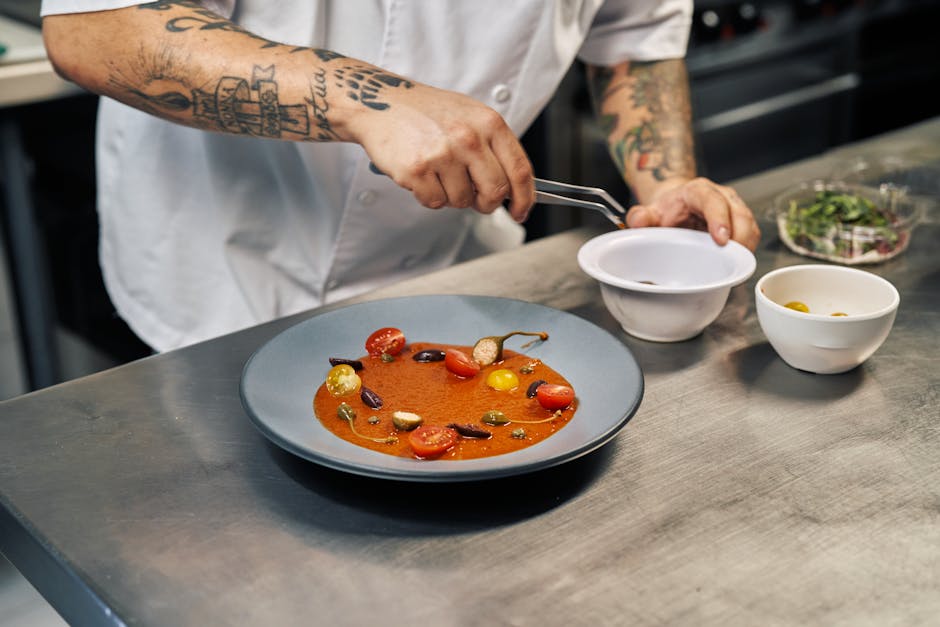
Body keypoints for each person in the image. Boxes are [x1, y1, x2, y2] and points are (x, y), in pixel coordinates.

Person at [40, 0, 760, 352]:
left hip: (452, 270)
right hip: (226, 271)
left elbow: (632, 34)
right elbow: (95, 27)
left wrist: (664, 189)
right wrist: (365, 99)